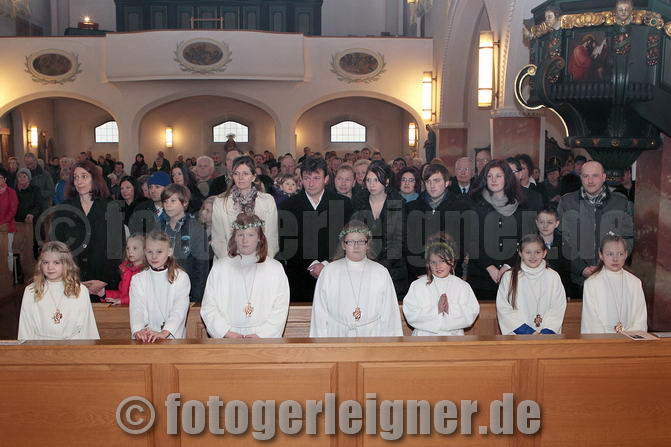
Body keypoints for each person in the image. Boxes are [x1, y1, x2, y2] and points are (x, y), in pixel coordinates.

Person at [201, 213, 290, 338]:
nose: (245, 240)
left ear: (259, 238)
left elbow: (280, 307)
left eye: (250, 235)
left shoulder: (275, 268)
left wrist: (262, 335)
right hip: (229, 337)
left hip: (262, 338)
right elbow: (209, 306)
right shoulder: (220, 268)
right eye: (240, 235)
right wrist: (225, 332)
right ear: (234, 238)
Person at [309, 220, 403, 337]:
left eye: (361, 241)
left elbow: (390, 313)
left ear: (368, 244)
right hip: (336, 335)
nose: (356, 246)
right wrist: (319, 343)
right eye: (350, 242)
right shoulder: (329, 272)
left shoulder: (380, 272)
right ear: (343, 245)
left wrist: (390, 344)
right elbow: (319, 312)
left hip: (372, 336)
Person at [279, 157, 353, 301]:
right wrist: (312, 265)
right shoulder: (288, 206)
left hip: (336, 272)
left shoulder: (343, 203)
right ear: (301, 180)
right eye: (307, 178)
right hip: (300, 275)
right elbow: (286, 244)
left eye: (316, 178)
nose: (311, 183)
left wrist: (327, 264)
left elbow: (347, 239)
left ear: (326, 179)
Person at [557, 161, 633, 294]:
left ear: (603, 177)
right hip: (576, 280)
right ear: (580, 177)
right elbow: (561, 239)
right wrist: (581, 269)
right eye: (585, 176)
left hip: (611, 276)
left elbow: (627, 237)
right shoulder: (567, 202)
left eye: (595, 176)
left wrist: (609, 264)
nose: (590, 181)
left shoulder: (621, 202)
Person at [467, 160, 537, 300]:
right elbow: (470, 240)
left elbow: (525, 240)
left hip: (514, 274)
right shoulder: (474, 204)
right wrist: (489, 267)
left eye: (498, 176)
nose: (493, 180)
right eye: (489, 176)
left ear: (507, 178)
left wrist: (507, 265)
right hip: (481, 276)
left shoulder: (522, 205)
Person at [53, 160, 124, 297]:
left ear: (94, 179)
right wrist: (69, 278)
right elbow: (58, 246)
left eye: (84, 176)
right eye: (76, 177)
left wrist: (105, 279)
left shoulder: (110, 207)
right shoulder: (64, 208)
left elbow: (117, 247)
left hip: (103, 279)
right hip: (72, 278)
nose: (79, 181)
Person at [18, 241, 100, 340]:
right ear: (40, 264)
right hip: (41, 344)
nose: (50, 267)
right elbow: (25, 327)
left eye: (56, 262)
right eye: (45, 262)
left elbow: (87, 326)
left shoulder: (79, 290)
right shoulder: (32, 290)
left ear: (66, 264)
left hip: (73, 345)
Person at [403, 235, 480, 336]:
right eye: (433, 262)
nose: (438, 266)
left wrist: (449, 309)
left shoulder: (462, 286)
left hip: (454, 338)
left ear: (452, 261)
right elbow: (410, 313)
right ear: (428, 264)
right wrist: (436, 310)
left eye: (442, 261)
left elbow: (472, 312)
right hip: (424, 337)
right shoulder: (418, 285)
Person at [406, 163, 470, 281]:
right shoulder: (412, 208)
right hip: (419, 273)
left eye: (437, 180)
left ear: (446, 183)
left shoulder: (461, 208)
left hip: (450, 273)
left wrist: (447, 269)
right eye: (428, 181)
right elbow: (409, 243)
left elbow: (462, 243)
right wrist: (421, 271)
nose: (432, 185)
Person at [352, 161, 408, 296]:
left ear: (386, 181)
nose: (371, 184)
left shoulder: (397, 203)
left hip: (392, 269)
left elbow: (398, 241)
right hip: (363, 266)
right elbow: (354, 234)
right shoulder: (358, 202)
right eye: (368, 180)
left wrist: (380, 266)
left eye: (376, 180)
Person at [496, 235, 567, 335]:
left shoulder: (553, 277)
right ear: (520, 253)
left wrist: (546, 333)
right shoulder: (509, 277)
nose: (533, 257)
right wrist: (528, 332)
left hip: (546, 338)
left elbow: (557, 308)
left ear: (544, 253)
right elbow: (504, 308)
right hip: (518, 337)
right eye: (528, 252)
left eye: (537, 252)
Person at [211, 156, 278, 259]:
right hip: (229, 260)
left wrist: (262, 261)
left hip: (260, 259)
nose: (240, 178)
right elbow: (218, 239)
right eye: (236, 173)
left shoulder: (267, 201)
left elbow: (271, 237)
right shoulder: (220, 202)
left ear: (253, 177)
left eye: (245, 174)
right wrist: (232, 262)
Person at [129, 230, 191, 341]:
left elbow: (179, 309)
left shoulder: (181, 277)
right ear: (144, 252)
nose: (154, 256)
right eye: (149, 252)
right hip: (145, 338)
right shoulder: (138, 279)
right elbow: (137, 309)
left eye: (159, 252)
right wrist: (139, 330)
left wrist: (164, 332)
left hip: (172, 339)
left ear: (169, 251)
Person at [581, 233, 647, 334]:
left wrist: (629, 337)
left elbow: (640, 318)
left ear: (626, 254)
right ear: (601, 255)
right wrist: (608, 340)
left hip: (630, 339)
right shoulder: (592, 283)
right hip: (602, 340)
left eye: (620, 254)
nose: (615, 259)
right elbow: (591, 321)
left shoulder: (634, 282)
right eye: (610, 254)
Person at [159, 184, 209, 302]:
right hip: (161, 289)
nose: (168, 205)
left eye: (173, 201)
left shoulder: (196, 228)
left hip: (187, 290)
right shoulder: (159, 228)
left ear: (185, 203)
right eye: (165, 201)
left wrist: (197, 296)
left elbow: (201, 266)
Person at [535, 207, 572, 295]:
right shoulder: (529, 243)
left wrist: (566, 293)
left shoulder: (564, 243)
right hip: (535, 289)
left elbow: (566, 273)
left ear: (557, 223)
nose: (545, 226)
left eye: (550, 222)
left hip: (557, 290)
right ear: (536, 222)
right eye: (541, 222)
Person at [102, 235, 146, 305]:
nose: (130, 251)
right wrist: (104, 294)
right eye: (128, 248)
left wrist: (122, 300)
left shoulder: (146, 272)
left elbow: (142, 296)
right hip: (126, 310)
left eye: (135, 248)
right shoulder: (126, 270)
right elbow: (122, 294)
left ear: (145, 250)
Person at [0, 168, 18, 269]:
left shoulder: (11, 192)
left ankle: (9, 273)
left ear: (5, 179)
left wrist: (2, 223)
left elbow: (13, 210)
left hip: (7, 227)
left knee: (7, 251)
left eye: (0, 178)